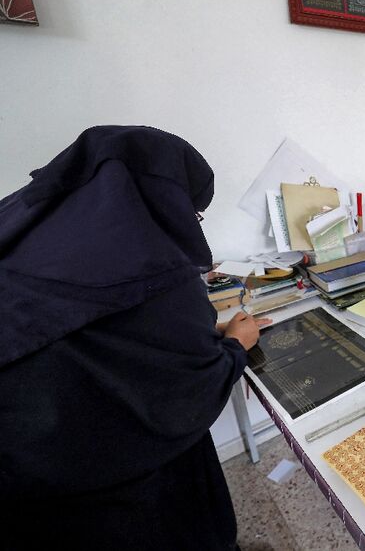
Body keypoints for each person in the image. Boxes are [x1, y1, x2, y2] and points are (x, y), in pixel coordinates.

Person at [0, 126, 270, 549]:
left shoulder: (18, 225)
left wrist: (191, 337)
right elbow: (187, 394)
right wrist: (235, 345)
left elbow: (107, 343)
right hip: (126, 497)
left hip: (27, 488)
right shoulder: (156, 272)